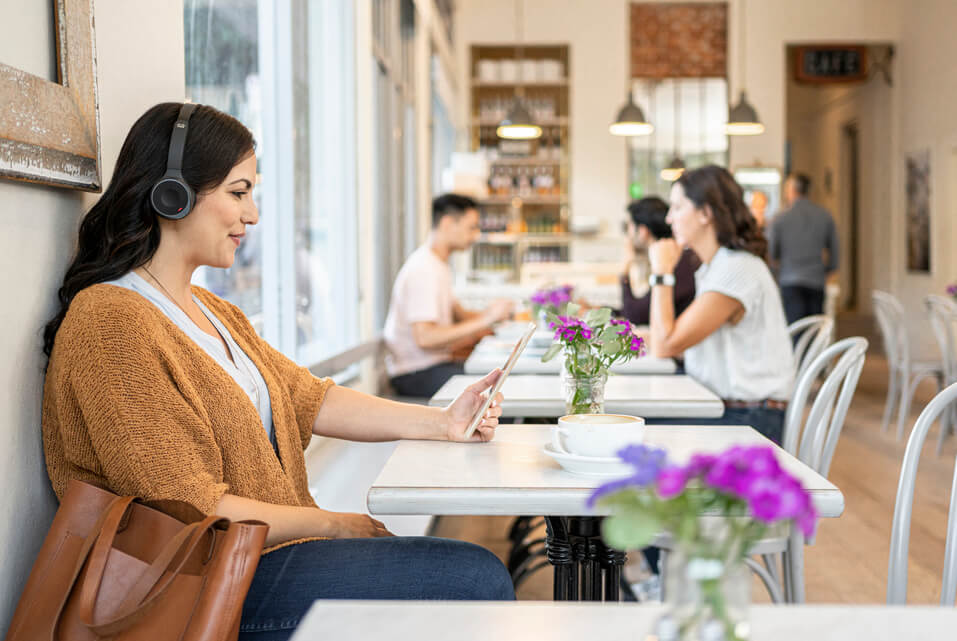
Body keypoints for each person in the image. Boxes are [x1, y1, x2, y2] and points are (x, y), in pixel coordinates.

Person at [41, 103, 514, 641]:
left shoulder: (215, 311)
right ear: (171, 193)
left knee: (470, 573)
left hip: (254, 562)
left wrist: (442, 423)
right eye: (239, 193)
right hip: (195, 585)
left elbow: (309, 397)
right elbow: (189, 509)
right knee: (474, 578)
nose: (253, 215)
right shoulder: (110, 321)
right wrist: (333, 523)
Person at [644, 165, 794, 444]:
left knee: (624, 425)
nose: (669, 218)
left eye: (677, 207)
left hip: (749, 422)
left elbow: (665, 346)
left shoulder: (737, 270)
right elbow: (670, 339)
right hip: (729, 410)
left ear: (705, 213)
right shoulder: (719, 267)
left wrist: (662, 272)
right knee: (623, 419)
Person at [384, 194, 514, 397]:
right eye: (471, 227)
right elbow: (425, 338)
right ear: (447, 223)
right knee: (498, 395)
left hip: (434, 366)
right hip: (416, 373)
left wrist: (493, 314)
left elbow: (460, 315)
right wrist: (488, 318)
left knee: (502, 385)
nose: (476, 235)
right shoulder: (423, 269)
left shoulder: (438, 265)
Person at [768, 173, 839, 324]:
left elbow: (772, 252)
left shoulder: (781, 218)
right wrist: (825, 271)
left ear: (792, 190)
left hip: (790, 281)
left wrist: (779, 271)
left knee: (795, 331)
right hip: (816, 280)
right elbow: (835, 252)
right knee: (814, 330)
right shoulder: (824, 215)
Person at [620, 196, 699, 326]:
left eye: (628, 227)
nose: (627, 235)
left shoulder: (672, 261)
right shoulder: (675, 256)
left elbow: (635, 315)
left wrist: (624, 272)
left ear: (642, 231)